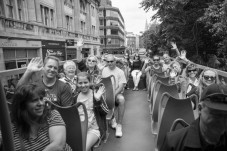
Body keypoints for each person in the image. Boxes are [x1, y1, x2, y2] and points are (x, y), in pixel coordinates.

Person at [0, 83, 72, 150]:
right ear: (22, 105)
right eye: (34, 100)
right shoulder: (11, 126)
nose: (40, 103)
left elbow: (58, 146)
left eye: (41, 99)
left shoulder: (51, 115)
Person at [161, 83, 227, 151]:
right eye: (215, 113)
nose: (222, 121)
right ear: (200, 109)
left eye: (226, 115)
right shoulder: (174, 145)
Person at [76, 72, 108, 151]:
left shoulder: (96, 94)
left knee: (82, 148)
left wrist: (97, 100)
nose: (83, 85)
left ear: (90, 82)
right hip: (79, 129)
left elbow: (106, 111)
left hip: (93, 129)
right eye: (80, 83)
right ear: (76, 84)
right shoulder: (75, 97)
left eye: (85, 82)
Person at [102, 54, 127, 137]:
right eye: (108, 61)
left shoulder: (120, 72)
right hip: (104, 93)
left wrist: (112, 95)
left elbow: (121, 86)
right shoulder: (103, 70)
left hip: (115, 93)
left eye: (111, 61)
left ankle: (119, 125)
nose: (110, 63)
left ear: (115, 61)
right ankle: (112, 118)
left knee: (122, 99)